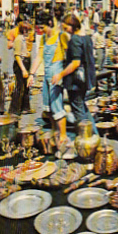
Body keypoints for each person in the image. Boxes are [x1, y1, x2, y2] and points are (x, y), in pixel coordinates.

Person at [28, 11, 70, 150]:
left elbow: (70, 56)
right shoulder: (44, 38)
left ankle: (63, 135)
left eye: (42, 27)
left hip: (56, 74)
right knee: (48, 107)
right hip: (46, 74)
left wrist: (63, 74)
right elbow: (39, 56)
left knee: (57, 106)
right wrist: (31, 74)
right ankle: (55, 130)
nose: (40, 30)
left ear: (50, 24)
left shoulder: (61, 36)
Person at [51, 14, 98, 134]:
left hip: (75, 82)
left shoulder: (75, 40)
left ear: (72, 27)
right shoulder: (87, 38)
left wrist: (60, 74)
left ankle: (86, 139)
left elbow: (76, 63)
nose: (66, 32)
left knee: (79, 112)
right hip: (85, 80)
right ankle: (95, 135)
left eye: (66, 28)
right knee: (82, 107)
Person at [9, 21, 32, 115]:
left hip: (25, 62)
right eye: (26, 29)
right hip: (20, 64)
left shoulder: (23, 39)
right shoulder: (18, 39)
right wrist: (23, 69)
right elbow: (17, 55)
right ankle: (14, 109)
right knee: (19, 87)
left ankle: (25, 107)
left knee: (26, 87)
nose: (27, 32)